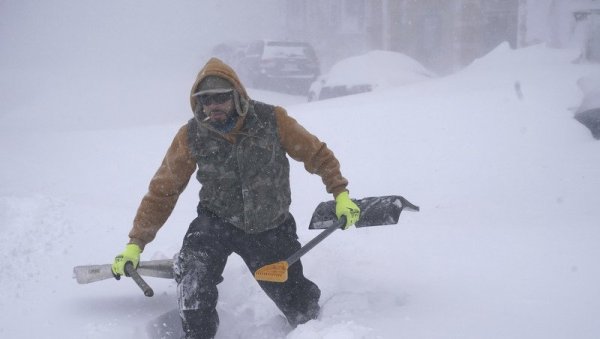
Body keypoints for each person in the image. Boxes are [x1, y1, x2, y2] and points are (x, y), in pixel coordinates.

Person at [111, 57, 360, 339]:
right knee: (196, 276)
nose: (213, 106)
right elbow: (162, 190)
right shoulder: (191, 135)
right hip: (216, 222)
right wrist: (136, 243)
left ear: (237, 96)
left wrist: (340, 194)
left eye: (221, 98)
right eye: (206, 100)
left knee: (300, 308)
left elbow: (318, 155)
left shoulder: (272, 120)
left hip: (269, 226)